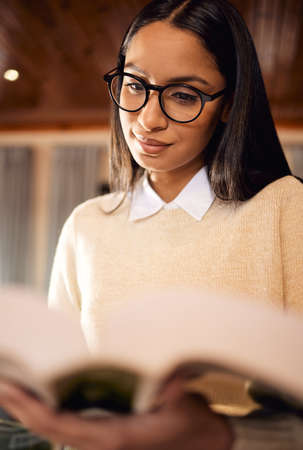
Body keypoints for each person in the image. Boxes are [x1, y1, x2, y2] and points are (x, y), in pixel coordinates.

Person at [0, 0, 302, 448]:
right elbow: (64, 389)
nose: (147, 118)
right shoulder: (87, 226)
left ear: (228, 105)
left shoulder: (286, 210)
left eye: (184, 95)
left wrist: (216, 434)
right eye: (135, 84)